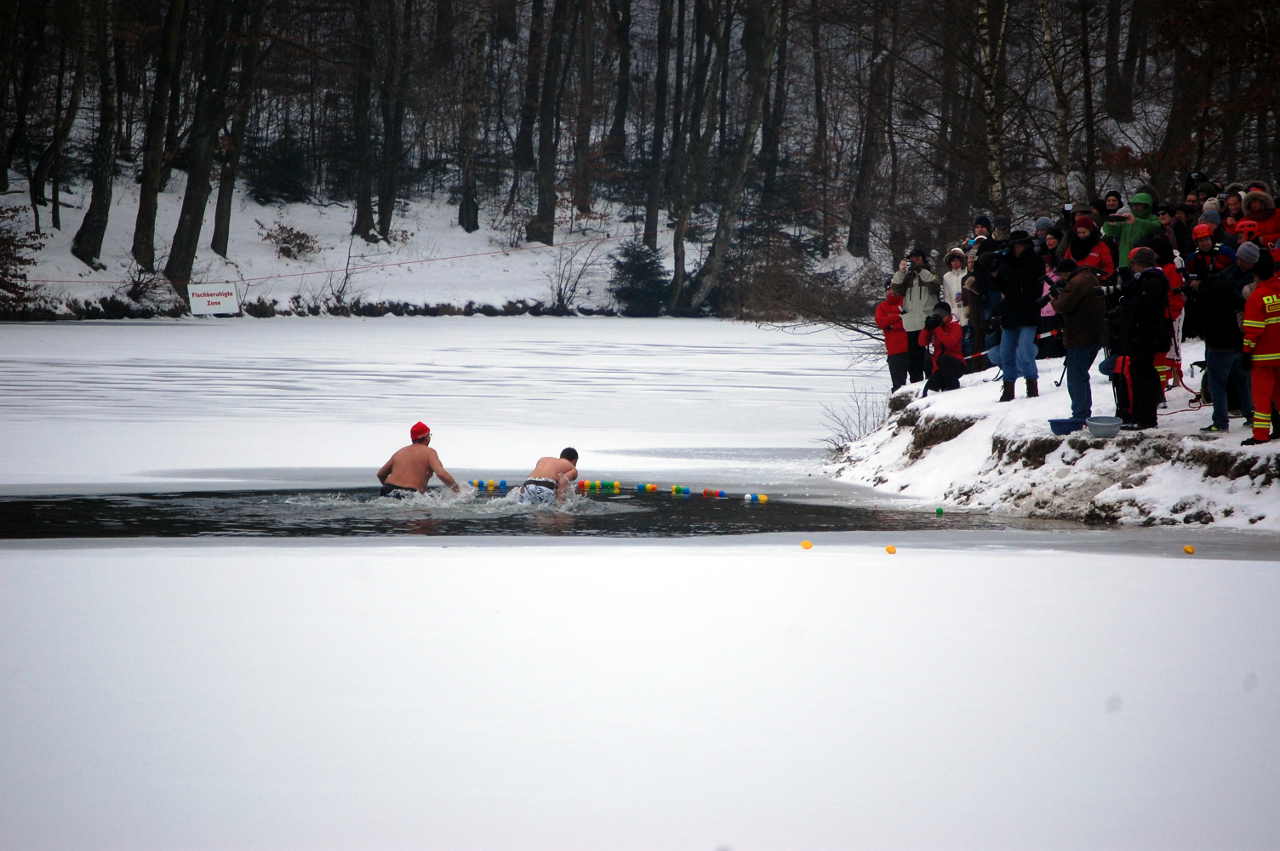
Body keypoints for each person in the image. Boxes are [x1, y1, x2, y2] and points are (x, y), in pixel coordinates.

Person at [1191, 248, 1252, 433]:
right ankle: (1251, 416)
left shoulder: (1206, 292)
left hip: (1218, 344)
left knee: (1217, 384)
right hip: (1237, 341)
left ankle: (1220, 422)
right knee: (1243, 381)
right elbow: (1241, 306)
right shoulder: (1230, 288)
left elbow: (1198, 320)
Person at [1114, 247, 1172, 430]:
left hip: (1146, 334)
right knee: (1143, 372)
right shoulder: (1150, 279)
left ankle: (1145, 418)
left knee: (1142, 375)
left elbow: (1144, 306)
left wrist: (1127, 302)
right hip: (1146, 333)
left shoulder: (1152, 281)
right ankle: (1143, 415)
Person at [991, 230, 1045, 401]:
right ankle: (1008, 388)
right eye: (1014, 245)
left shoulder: (1035, 261)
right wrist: (995, 271)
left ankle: (1032, 385)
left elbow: (1033, 285)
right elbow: (999, 285)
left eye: (1019, 244)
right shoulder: (1005, 262)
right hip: (1010, 312)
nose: (1016, 248)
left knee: (1024, 350)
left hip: (1028, 311)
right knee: (1006, 352)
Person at [1052, 268, 1107, 421]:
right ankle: (1082, 412)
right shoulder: (1090, 278)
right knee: (1081, 375)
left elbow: (1063, 305)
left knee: (1076, 377)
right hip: (1094, 335)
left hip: (1079, 336)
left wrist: (1055, 298)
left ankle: (1080, 414)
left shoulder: (1077, 283)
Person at [1241, 252, 1280, 445]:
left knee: (1262, 398)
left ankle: (1261, 435)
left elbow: (1253, 330)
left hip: (1264, 358)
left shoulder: (1257, 296)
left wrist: (1247, 352)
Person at [891, 246, 940, 383]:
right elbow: (896, 289)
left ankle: (933, 380)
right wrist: (901, 271)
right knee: (914, 358)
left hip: (927, 320)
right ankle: (915, 382)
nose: (914, 262)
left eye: (917, 259)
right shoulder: (907, 276)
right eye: (912, 259)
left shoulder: (929, 273)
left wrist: (920, 270)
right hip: (911, 322)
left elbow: (934, 285)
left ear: (923, 260)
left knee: (928, 356)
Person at [376, 421, 461, 496]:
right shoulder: (429, 452)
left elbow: (381, 474)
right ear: (427, 437)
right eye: (429, 435)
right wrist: (458, 490)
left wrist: (392, 489)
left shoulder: (400, 452)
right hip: (410, 494)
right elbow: (441, 473)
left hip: (387, 490)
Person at [1103, 191, 1163, 271]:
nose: (1135, 207)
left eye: (1139, 205)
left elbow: (1156, 228)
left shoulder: (1153, 218)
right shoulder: (1127, 219)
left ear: (1146, 206)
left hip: (1143, 264)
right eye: (1133, 205)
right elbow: (1111, 233)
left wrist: (1136, 221)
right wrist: (1110, 224)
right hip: (1124, 261)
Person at [919, 301, 964, 395]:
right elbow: (922, 342)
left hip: (956, 364)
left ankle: (953, 388)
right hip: (939, 367)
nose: (939, 316)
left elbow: (950, 343)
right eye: (936, 313)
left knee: (945, 359)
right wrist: (926, 329)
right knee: (928, 391)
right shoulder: (935, 328)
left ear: (948, 315)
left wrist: (937, 328)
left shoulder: (955, 327)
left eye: (942, 314)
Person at [875, 287, 910, 391]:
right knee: (898, 385)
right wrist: (899, 316)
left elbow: (908, 322)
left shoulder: (906, 302)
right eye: (888, 290)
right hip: (894, 351)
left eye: (893, 289)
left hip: (910, 347)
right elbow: (881, 322)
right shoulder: (882, 306)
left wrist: (892, 324)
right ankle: (898, 406)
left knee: (917, 381)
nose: (891, 292)